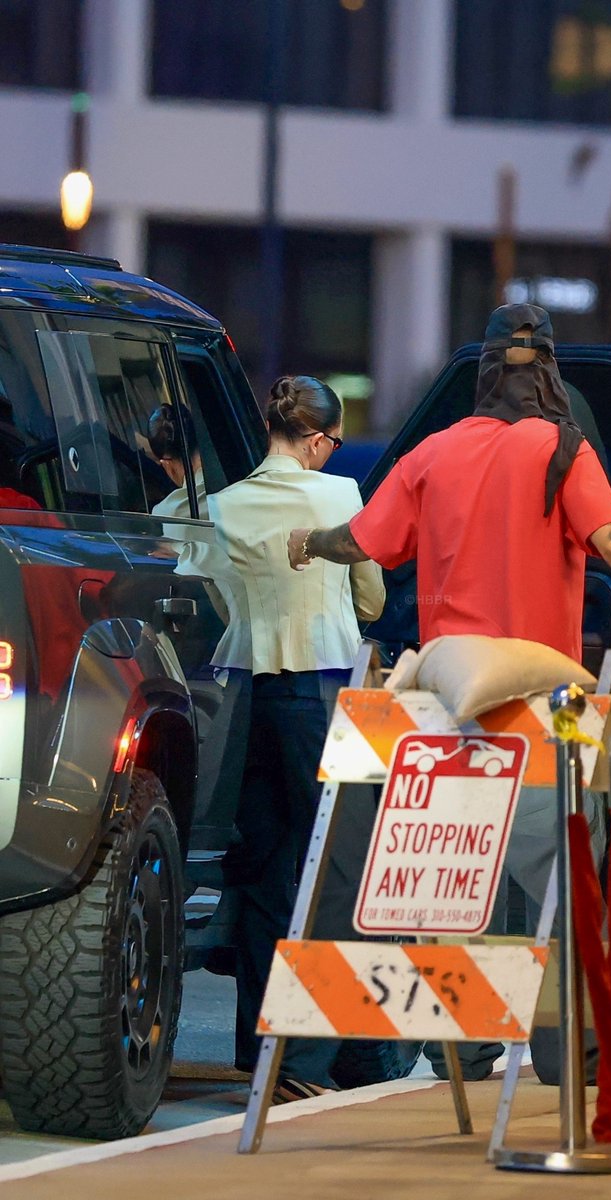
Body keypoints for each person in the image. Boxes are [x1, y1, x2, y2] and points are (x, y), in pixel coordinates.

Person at [287, 303, 611, 1083]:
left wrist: (307, 541)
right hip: (546, 703)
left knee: (454, 873)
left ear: (484, 372)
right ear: (549, 370)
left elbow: (363, 541)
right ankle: (574, 1054)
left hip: (445, 701)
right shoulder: (561, 448)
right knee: (567, 876)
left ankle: (460, 1045)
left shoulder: (433, 452)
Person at [210, 375, 385, 1103]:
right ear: (316, 440)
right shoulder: (339, 496)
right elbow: (371, 596)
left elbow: (213, 594)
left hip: (244, 694)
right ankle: (313, 1059)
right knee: (337, 868)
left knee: (262, 867)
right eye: (333, 443)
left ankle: (260, 1052)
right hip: (322, 691)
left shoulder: (224, 503)